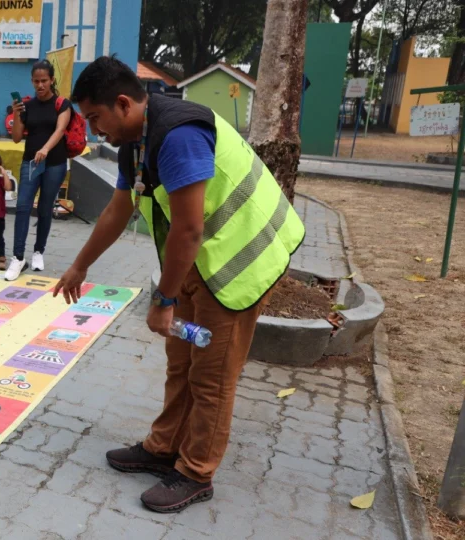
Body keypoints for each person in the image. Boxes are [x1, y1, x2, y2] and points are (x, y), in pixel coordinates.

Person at [53, 56, 304, 513]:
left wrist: (162, 300)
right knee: (181, 358)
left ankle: (195, 472)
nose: (93, 132)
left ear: (124, 103)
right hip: (198, 267)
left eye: (95, 119)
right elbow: (118, 208)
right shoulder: (135, 138)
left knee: (212, 377)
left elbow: (188, 230)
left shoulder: (178, 136)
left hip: (237, 270)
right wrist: (80, 265)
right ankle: (163, 446)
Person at [7, 60, 72, 280]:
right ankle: (17, 257)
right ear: (32, 82)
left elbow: (61, 129)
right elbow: (16, 138)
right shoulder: (27, 106)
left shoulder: (62, 104)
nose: (40, 85)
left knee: (45, 208)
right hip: (30, 163)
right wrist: (17, 114)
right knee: (23, 206)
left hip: (55, 163)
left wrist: (45, 148)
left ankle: (38, 251)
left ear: (52, 80)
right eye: (36, 81)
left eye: (44, 80)